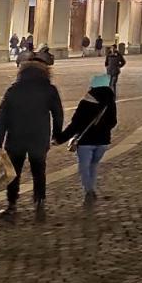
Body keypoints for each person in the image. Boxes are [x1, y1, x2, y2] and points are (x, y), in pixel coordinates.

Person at [0, 55, 63, 220]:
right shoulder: (49, 89)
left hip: (15, 138)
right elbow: (58, 114)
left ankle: (11, 205)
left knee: (13, 173)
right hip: (39, 138)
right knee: (39, 172)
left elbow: (2, 116)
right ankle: (39, 202)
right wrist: (57, 135)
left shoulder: (13, 89)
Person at [53, 74, 117, 203]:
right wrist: (102, 129)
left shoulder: (85, 102)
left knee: (84, 167)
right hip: (103, 141)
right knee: (93, 165)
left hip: (85, 141)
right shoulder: (110, 103)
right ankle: (91, 187)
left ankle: (89, 190)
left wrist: (60, 139)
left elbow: (75, 124)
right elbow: (113, 122)